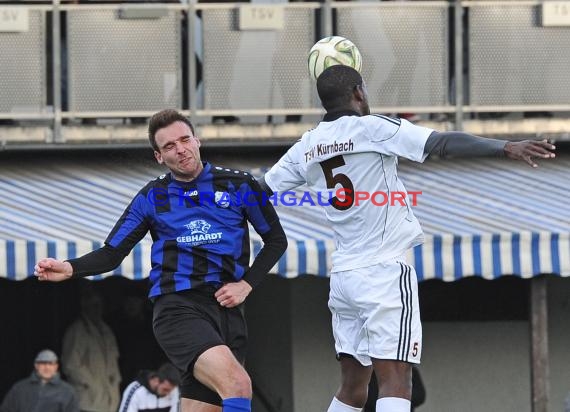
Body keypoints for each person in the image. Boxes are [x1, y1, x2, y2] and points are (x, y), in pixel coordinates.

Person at [257, 64, 556, 412]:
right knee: (397, 381)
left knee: (353, 387)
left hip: (344, 276)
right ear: (358, 93)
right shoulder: (373, 128)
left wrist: (207, 196)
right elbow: (441, 143)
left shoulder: (306, 146)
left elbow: (261, 189)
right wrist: (505, 147)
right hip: (383, 271)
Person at [35, 108, 288, 412]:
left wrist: (247, 283)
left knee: (210, 407)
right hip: (178, 309)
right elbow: (112, 252)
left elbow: (276, 240)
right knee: (238, 384)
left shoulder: (241, 185)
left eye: (184, 139)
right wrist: (71, 267)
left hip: (228, 311)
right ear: (158, 156)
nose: (180, 149)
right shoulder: (151, 196)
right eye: (169, 146)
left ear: (198, 140)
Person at [61, 285, 122, 412]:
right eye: (94, 304)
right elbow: (70, 365)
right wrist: (92, 384)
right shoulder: (77, 330)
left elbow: (114, 361)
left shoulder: (107, 331)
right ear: (84, 304)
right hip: (86, 402)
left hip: (109, 402)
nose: (97, 309)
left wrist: (115, 382)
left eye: (99, 304)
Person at [0, 349, 79, 412]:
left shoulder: (68, 391)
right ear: (36, 365)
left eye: (51, 363)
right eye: (43, 363)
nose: (47, 367)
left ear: (56, 367)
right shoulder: (19, 388)